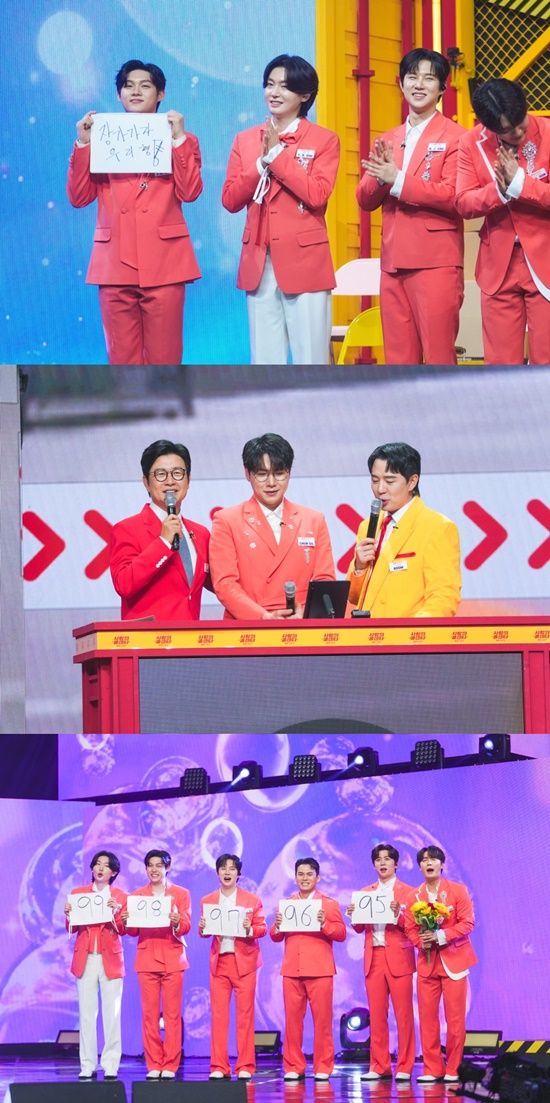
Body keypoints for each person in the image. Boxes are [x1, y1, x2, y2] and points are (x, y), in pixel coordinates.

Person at [67, 59, 202, 365]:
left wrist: (179, 140)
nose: (136, 91)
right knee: (121, 360)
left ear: (161, 94)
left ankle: (165, 398)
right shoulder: (99, 139)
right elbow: (79, 197)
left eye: (145, 85)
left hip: (165, 262)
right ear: (119, 95)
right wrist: (83, 144)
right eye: (128, 86)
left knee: (165, 360)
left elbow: (190, 192)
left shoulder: (183, 140)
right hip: (114, 262)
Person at [222, 54, 340, 364]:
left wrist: (277, 156)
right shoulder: (245, 140)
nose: (274, 93)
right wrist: (259, 164)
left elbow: (317, 194)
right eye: (270, 84)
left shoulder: (324, 140)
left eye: (285, 87)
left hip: (305, 261)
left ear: (305, 95)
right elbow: (231, 199)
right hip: (259, 262)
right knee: (265, 361)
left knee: (311, 358)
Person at [357, 48, 464, 365]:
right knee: (398, 360)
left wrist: (398, 179)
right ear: (400, 83)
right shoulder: (388, 139)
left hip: (435, 262)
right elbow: (365, 199)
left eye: (429, 79)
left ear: (442, 88)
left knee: (438, 356)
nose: (419, 85)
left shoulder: (458, 137)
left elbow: (453, 196)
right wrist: (381, 179)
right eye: (412, 77)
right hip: (393, 263)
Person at [455, 78, 550, 364]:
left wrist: (521, 184)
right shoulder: (470, 143)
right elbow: (463, 202)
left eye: (520, 123)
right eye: (507, 131)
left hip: (545, 258)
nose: (518, 133)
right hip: (498, 264)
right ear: (488, 127)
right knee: (500, 367)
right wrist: (499, 190)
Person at [209, 433, 335, 619]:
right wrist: (263, 617)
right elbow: (225, 584)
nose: (271, 483)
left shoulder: (314, 520)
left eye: (279, 473)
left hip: (301, 622)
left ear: (289, 473)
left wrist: (306, 614)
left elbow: (324, 580)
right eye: (262, 474)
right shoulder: (226, 520)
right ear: (247, 474)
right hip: (248, 626)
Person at [347, 441, 461, 617]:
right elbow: (353, 597)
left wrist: (410, 631)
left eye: (390, 481)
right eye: (375, 480)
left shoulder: (437, 527)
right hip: (367, 631)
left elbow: (443, 598)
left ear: (412, 481)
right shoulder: (367, 526)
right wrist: (359, 567)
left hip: (407, 632)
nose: (380, 489)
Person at [109, 439, 212, 620]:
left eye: (178, 473)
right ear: (146, 482)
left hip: (191, 635)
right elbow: (124, 585)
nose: (170, 481)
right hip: (148, 636)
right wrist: (163, 543)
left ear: (188, 480)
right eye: (161, 474)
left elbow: (222, 582)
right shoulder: (127, 529)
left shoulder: (201, 533)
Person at [404, 846, 477, 1083]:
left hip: (454, 961)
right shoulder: (413, 897)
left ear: (442, 864)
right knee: (427, 1019)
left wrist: (441, 935)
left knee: (455, 1020)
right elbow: (410, 928)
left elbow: (467, 923)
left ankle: (453, 1068)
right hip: (427, 964)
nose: (429, 863)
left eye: (434, 859)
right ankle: (432, 1068)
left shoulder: (457, 890)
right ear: (419, 867)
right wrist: (421, 942)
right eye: (424, 860)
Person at [270, 857, 346, 1081]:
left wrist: (325, 924)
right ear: (295, 878)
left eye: (309, 874)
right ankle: (294, 1066)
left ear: (317, 877)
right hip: (292, 970)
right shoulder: (288, 904)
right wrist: (278, 925)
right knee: (293, 1023)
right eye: (300, 874)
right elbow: (274, 935)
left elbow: (341, 933)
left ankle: (323, 1066)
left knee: (322, 1022)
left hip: (320, 970)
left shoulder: (328, 904)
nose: (304, 878)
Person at [346, 844, 416, 1081]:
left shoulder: (409, 893)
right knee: (376, 1016)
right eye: (378, 859)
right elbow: (358, 927)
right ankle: (379, 1065)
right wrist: (353, 913)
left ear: (396, 863)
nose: (382, 863)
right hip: (373, 957)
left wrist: (399, 914)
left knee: (404, 1015)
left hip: (399, 957)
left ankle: (405, 1066)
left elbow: (413, 927)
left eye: (387, 859)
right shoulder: (365, 892)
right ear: (374, 865)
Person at [123, 849, 191, 1080]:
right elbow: (132, 931)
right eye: (150, 865)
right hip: (147, 959)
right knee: (149, 1016)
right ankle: (153, 1062)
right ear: (146, 869)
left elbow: (186, 925)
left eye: (159, 865)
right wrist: (126, 921)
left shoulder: (181, 894)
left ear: (167, 868)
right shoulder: (137, 896)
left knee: (172, 1015)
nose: (154, 869)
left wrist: (178, 921)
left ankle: (170, 1063)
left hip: (173, 958)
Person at [199, 854, 267, 1080]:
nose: (227, 872)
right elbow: (204, 931)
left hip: (244, 963)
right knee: (218, 1016)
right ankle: (219, 1066)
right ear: (217, 872)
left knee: (245, 1016)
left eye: (232, 869)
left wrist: (249, 928)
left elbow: (262, 929)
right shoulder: (208, 900)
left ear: (239, 874)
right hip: (219, 962)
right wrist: (202, 927)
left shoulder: (252, 900)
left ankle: (245, 1065)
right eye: (223, 868)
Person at [64, 851, 126, 1081]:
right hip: (86, 958)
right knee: (87, 1014)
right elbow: (71, 927)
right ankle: (87, 1064)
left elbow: (125, 929)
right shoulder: (78, 894)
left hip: (111, 959)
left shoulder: (120, 896)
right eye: (97, 864)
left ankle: (110, 1064)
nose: (100, 868)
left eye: (106, 865)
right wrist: (69, 915)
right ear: (92, 868)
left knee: (112, 1014)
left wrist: (116, 912)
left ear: (114, 872)